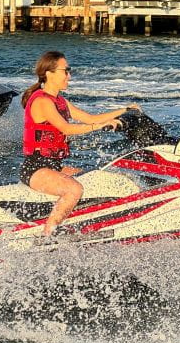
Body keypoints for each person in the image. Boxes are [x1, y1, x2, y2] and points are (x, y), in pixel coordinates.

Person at [20, 50, 139, 236]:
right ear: (49, 73)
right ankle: (47, 236)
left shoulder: (59, 101)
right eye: (65, 70)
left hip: (54, 165)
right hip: (36, 168)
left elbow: (89, 117)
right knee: (74, 189)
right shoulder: (42, 101)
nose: (69, 75)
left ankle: (87, 225)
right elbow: (66, 128)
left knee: (95, 177)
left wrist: (123, 110)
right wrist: (100, 126)